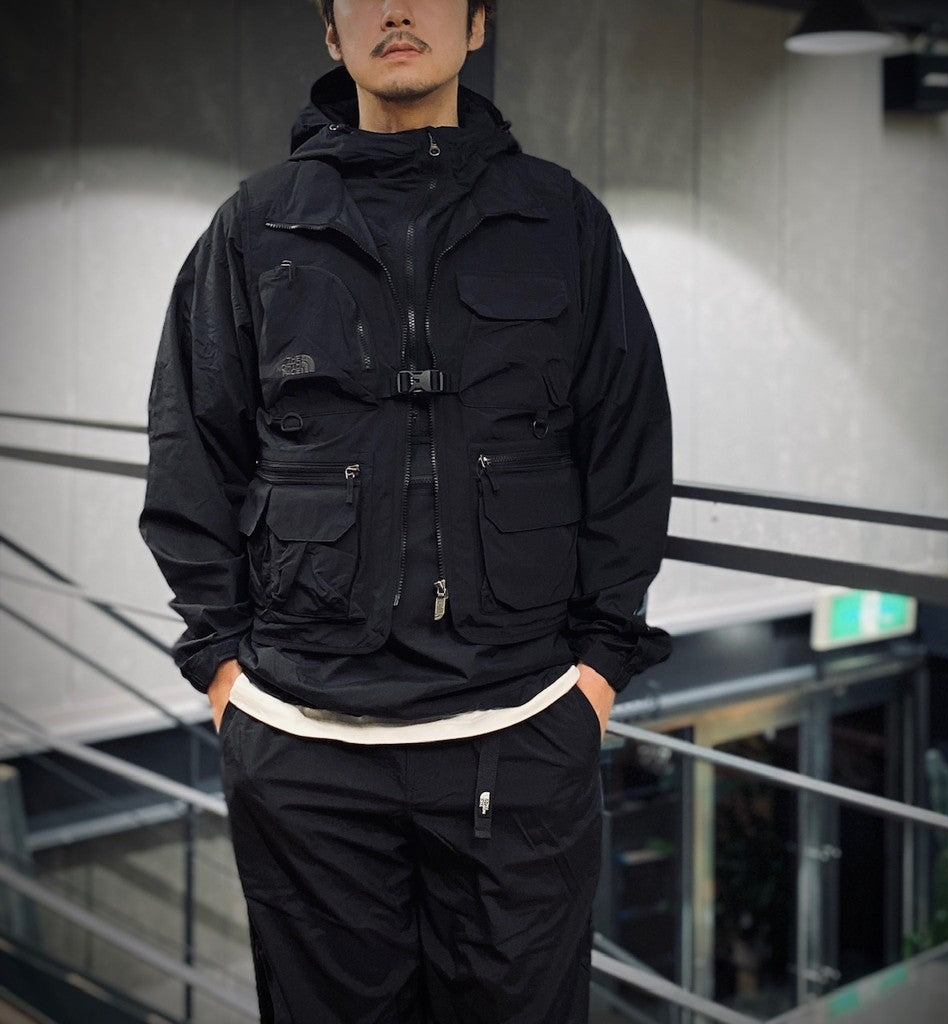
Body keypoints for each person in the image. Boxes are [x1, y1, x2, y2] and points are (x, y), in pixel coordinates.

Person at [140, 1, 672, 1020]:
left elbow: (628, 444)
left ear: (476, 26)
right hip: (303, 745)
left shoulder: (561, 220)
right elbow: (190, 449)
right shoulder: (254, 225)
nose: (395, 8)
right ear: (330, 32)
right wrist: (222, 672)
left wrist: (599, 671)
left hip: (520, 732)